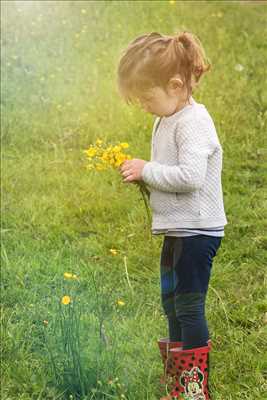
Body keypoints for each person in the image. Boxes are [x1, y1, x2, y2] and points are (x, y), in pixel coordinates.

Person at [116, 31, 227, 400]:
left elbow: (191, 178)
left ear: (176, 84)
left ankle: (193, 390)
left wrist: (147, 171)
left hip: (198, 231)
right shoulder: (168, 117)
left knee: (189, 304)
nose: (145, 106)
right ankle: (179, 379)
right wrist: (145, 176)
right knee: (171, 301)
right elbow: (171, 171)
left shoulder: (193, 122)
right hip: (180, 228)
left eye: (147, 98)